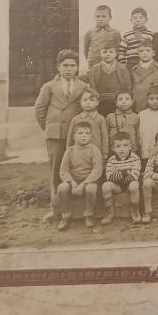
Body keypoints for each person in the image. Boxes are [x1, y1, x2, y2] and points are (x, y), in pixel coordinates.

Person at [34, 50, 89, 220]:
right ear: (58, 67)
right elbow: (40, 109)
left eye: (72, 66)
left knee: (77, 168)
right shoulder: (49, 86)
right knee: (56, 170)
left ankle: (78, 208)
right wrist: (49, 127)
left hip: (75, 134)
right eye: (65, 66)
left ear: (77, 67)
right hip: (55, 134)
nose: (69, 69)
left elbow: (86, 107)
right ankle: (56, 208)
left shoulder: (83, 86)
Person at [53, 120, 103, 230]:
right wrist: (72, 183)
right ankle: (66, 216)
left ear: (91, 136)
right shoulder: (69, 151)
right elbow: (64, 170)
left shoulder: (94, 150)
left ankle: (88, 215)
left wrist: (83, 184)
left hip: (88, 180)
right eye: (80, 133)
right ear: (74, 136)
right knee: (61, 188)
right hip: (73, 180)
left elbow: (97, 170)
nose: (84, 136)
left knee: (91, 189)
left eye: (87, 133)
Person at [100, 132, 142, 225]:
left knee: (134, 185)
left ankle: (135, 210)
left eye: (125, 145)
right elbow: (109, 176)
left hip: (129, 186)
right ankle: (109, 211)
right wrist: (125, 173)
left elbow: (134, 176)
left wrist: (118, 174)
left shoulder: (135, 158)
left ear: (130, 146)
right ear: (113, 148)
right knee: (106, 186)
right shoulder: (112, 160)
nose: (122, 149)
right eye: (118, 146)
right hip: (117, 186)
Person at [83, 43, 132, 117]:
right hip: (100, 103)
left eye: (111, 52)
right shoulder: (95, 69)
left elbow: (128, 87)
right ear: (100, 54)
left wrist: (124, 101)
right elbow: (92, 87)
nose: (108, 54)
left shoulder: (122, 69)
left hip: (118, 103)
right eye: (105, 52)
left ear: (116, 54)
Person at [65, 89, 108, 157]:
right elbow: (70, 138)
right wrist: (69, 153)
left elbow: (104, 138)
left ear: (97, 102)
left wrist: (104, 154)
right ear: (80, 102)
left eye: (92, 100)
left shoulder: (100, 119)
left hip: (95, 154)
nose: (88, 102)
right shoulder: (76, 119)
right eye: (85, 100)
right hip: (78, 154)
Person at [82, 4, 122, 69]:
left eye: (104, 16)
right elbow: (86, 51)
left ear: (110, 18)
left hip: (110, 65)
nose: (100, 19)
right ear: (94, 17)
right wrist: (92, 61)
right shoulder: (89, 33)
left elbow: (117, 50)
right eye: (98, 16)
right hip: (93, 65)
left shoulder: (115, 33)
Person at [130, 42, 158, 107]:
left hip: (155, 102)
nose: (144, 53)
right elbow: (132, 88)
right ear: (138, 54)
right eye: (141, 51)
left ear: (153, 53)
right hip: (139, 102)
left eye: (148, 50)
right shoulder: (134, 69)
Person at [137, 89, 158, 163]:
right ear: (147, 100)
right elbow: (139, 132)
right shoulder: (141, 114)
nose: (154, 101)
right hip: (146, 146)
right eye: (151, 99)